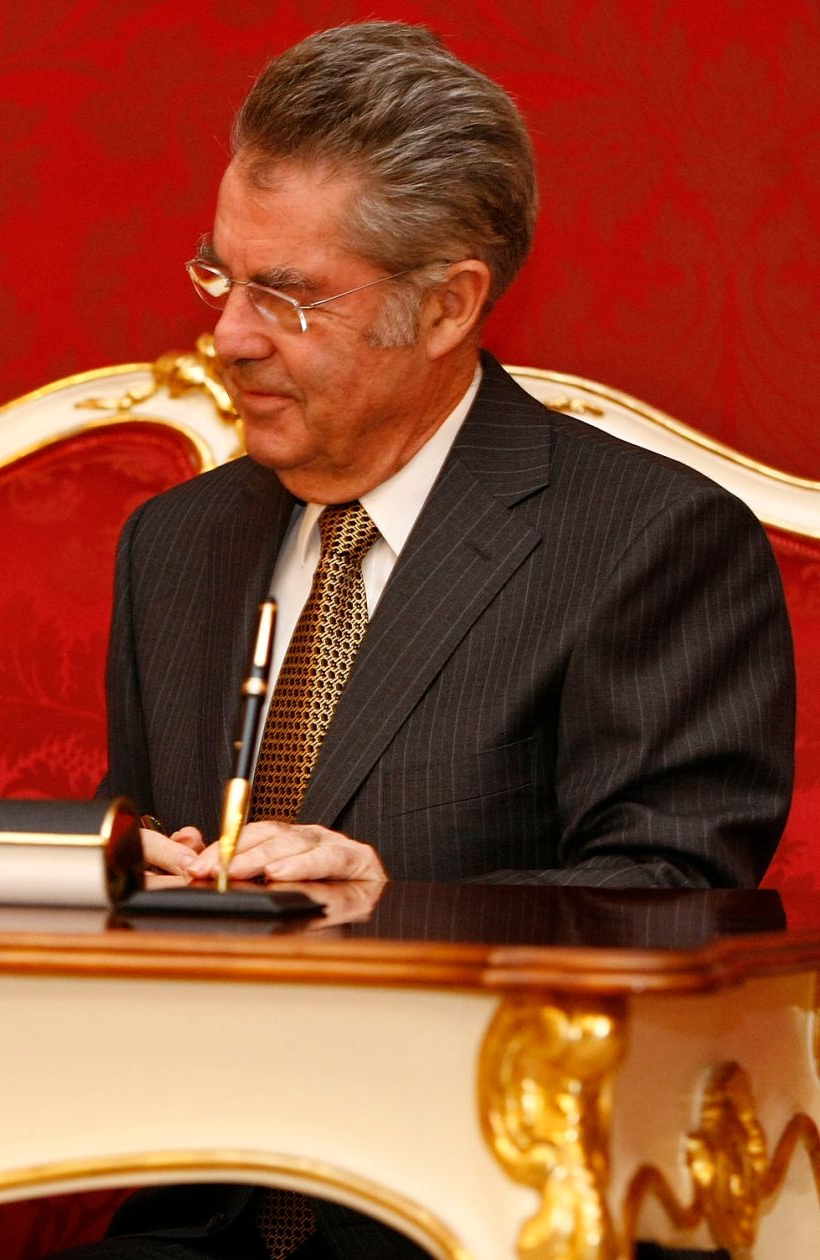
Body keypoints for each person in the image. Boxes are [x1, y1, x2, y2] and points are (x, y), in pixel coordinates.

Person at [88, 20, 794, 1260]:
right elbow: (133, 864)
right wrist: (119, 876)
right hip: (197, 1213)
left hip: (499, 1205)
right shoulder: (173, 545)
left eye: (287, 295)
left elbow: (680, 910)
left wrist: (386, 908)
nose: (229, 337)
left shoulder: (646, 545)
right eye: (220, 276)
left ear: (445, 305)